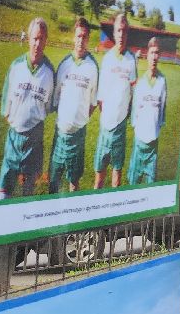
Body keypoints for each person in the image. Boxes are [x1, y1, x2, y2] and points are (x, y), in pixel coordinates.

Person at [0, 17, 55, 200]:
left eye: (41, 39)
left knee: (27, 194)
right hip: (14, 138)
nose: (37, 44)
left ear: (46, 40)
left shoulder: (49, 72)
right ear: (28, 38)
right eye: (34, 38)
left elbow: (46, 107)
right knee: (3, 192)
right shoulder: (16, 67)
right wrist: (17, 124)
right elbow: (6, 107)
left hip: (34, 140)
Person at [51, 18, 99, 193]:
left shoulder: (93, 67)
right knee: (53, 179)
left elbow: (93, 102)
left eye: (84, 36)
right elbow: (55, 98)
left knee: (74, 180)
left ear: (88, 39)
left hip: (79, 134)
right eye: (78, 36)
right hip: (60, 132)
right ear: (74, 37)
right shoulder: (64, 64)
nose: (81, 40)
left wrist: (79, 120)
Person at [94, 12, 136, 190]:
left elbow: (133, 91)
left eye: (124, 31)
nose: (121, 35)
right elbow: (100, 97)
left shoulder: (131, 60)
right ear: (114, 32)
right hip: (106, 125)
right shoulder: (107, 59)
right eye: (118, 30)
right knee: (99, 175)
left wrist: (122, 115)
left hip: (120, 126)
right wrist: (109, 116)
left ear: (127, 33)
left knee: (117, 176)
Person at [128, 38, 166, 186]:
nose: (154, 57)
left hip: (153, 146)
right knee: (133, 185)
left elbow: (162, 112)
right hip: (139, 143)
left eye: (157, 53)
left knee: (150, 188)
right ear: (147, 54)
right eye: (152, 53)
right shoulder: (141, 83)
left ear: (160, 55)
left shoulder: (163, 82)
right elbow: (134, 116)